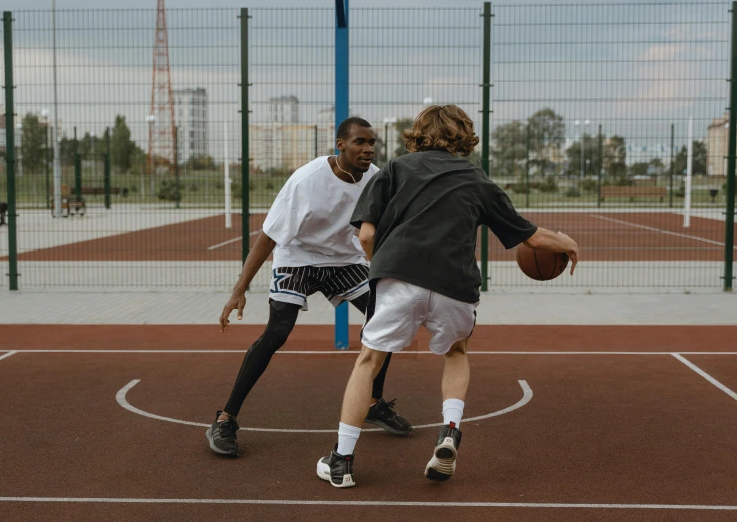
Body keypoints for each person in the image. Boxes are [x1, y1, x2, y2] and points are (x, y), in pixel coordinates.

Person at [316, 104, 580, 488]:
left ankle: (341, 462)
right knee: (456, 353)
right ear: (464, 135)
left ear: (417, 133)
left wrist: (383, 270)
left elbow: (367, 236)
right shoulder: (476, 177)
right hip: (455, 284)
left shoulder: (394, 169)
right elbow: (533, 238)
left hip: (399, 275)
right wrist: (567, 242)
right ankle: (449, 432)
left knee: (369, 361)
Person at [206, 117, 412, 458]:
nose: (369, 148)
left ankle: (373, 403)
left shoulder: (376, 179)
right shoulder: (308, 179)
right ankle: (226, 418)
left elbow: (385, 228)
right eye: (360, 141)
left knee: (385, 316)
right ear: (340, 144)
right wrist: (239, 289)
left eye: (372, 142)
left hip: (343, 261)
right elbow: (269, 236)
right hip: (297, 256)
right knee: (278, 332)